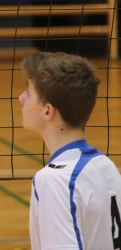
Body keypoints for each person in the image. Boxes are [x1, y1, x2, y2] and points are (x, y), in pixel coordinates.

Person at [20, 51, 121, 250]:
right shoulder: (106, 167)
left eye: (29, 92)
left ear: (47, 111)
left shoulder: (53, 180)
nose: (21, 97)